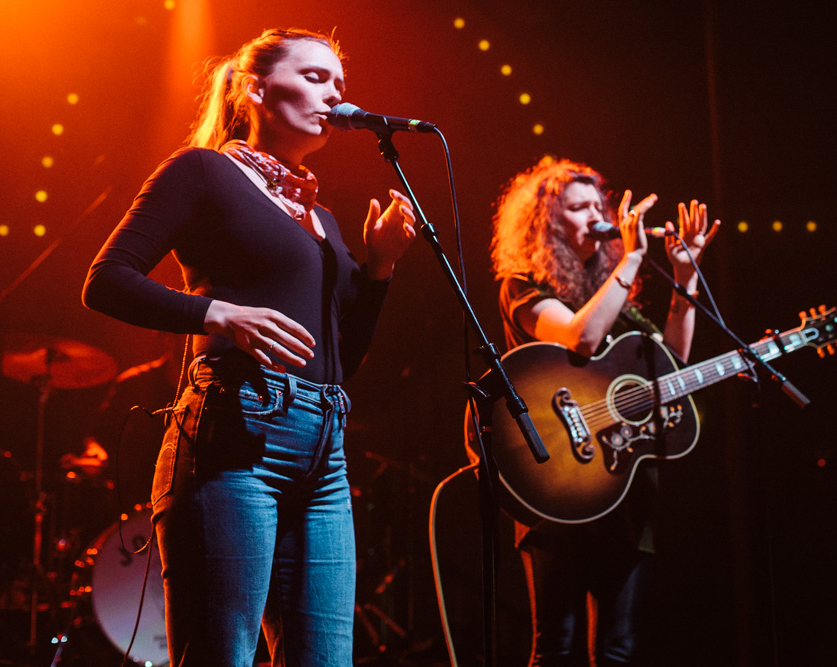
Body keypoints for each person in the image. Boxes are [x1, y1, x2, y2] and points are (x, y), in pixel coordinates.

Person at [82, 27, 416, 667]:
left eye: (341, 85)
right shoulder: (203, 171)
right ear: (254, 88)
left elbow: (343, 358)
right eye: (316, 77)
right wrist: (218, 314)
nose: (335, 96)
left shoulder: (320, 216)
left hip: (326, 447)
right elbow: (106, 281)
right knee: (222, 655)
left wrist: (378, 271)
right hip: (235, 431)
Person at [488, 157, 720, 666]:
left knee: (618, 649)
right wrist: (632, 259)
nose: (596, 213)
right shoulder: (524, 285)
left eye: (599, 203)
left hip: (622, 489)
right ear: (547, 223)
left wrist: (686, 276)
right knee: (556, 647)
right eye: (578, 206)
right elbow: (581, 337)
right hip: (557, 485)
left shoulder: (618, 296)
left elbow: (672, 366)